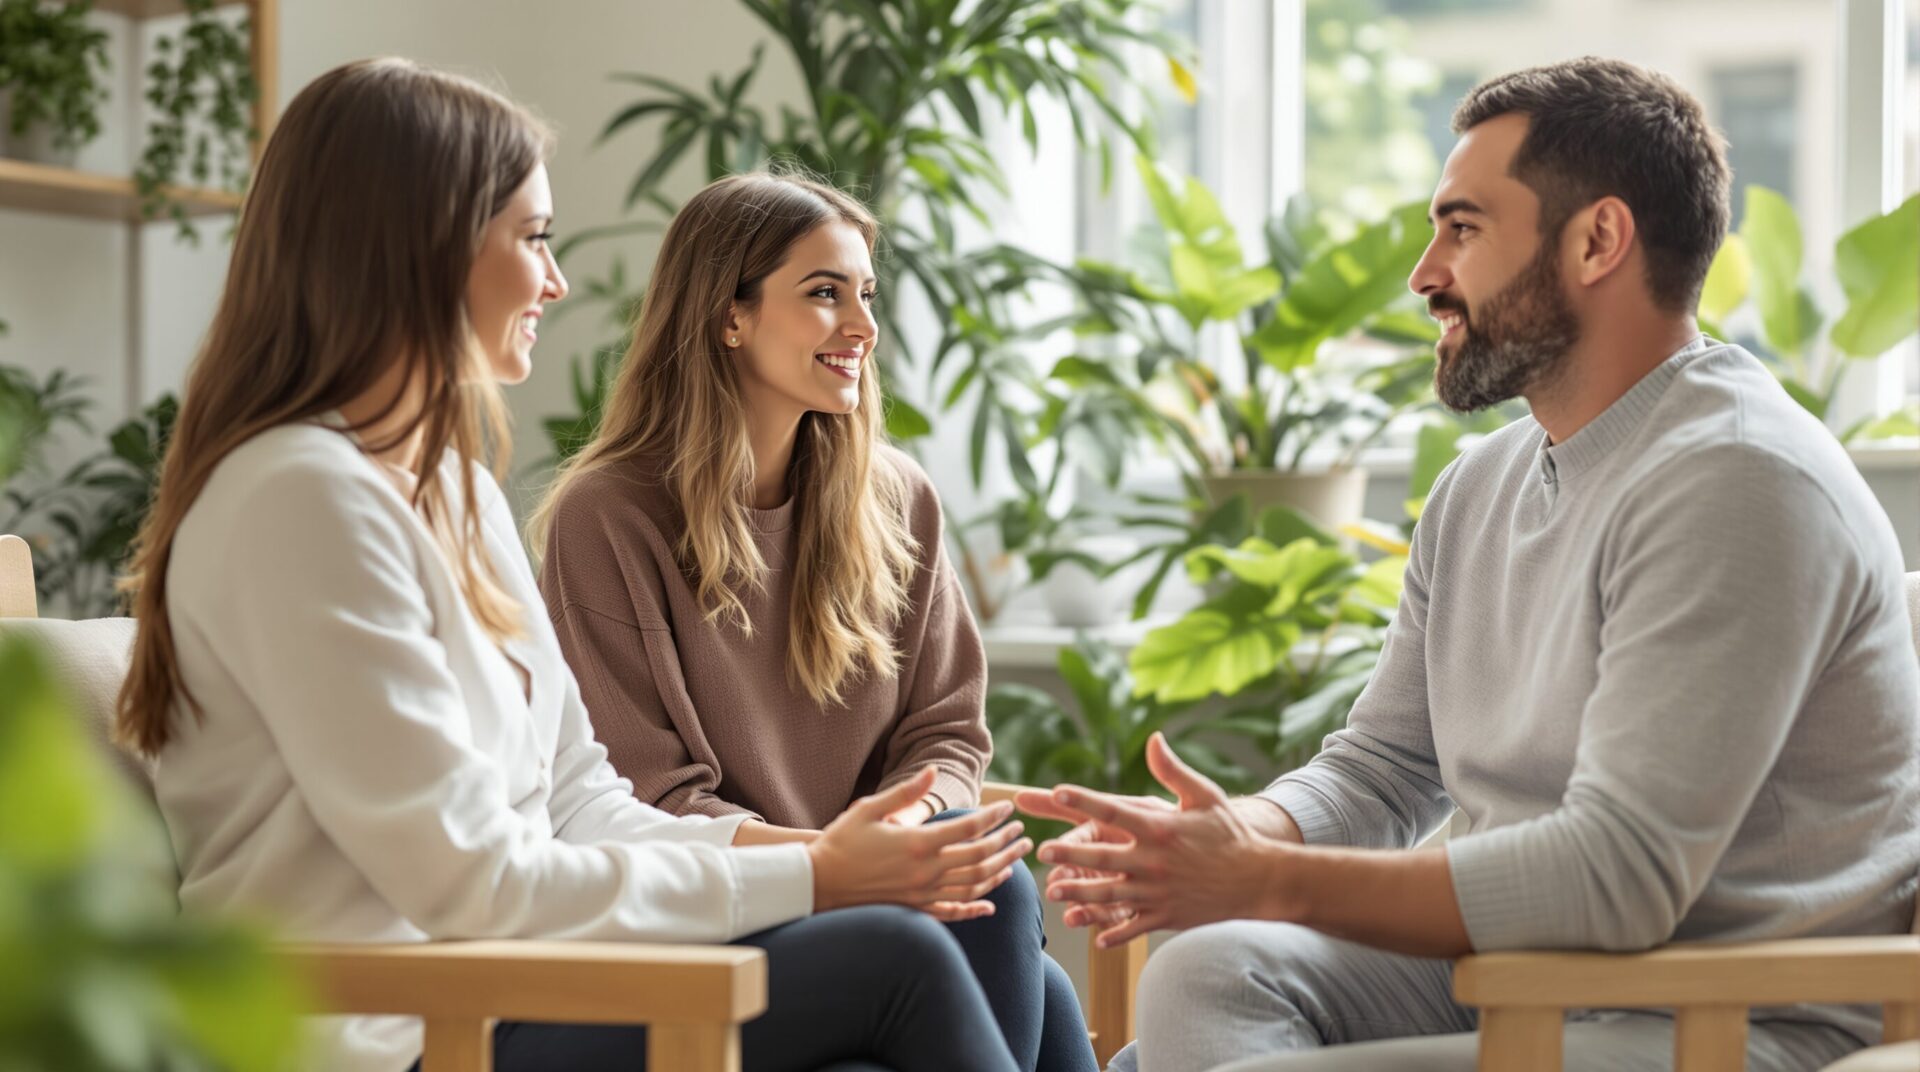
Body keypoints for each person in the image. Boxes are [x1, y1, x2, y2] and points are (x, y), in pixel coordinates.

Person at [116, 58, 1033, 1072]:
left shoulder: (451, 491)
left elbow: (582, 802)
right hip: (392, 1030)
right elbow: (472, 881)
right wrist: (818, 875)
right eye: (533, 239)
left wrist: (836, 861)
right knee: (895, 957)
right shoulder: (296, 497)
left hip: (506, 982)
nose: (555, 279)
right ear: (423, 247)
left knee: (984, 915)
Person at [1023, 56, 1919, 1072]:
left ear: (1597, 240)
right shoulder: (1483, 483)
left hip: (1712, 1017)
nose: (1424, 273)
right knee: (1205, 975)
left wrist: (1264, 876)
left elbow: (1617, 875)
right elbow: (1388, 766)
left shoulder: (1740, 482)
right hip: (1525, 978)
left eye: (1463, 227)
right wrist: (1240, 828)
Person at [532, 171, 1096, 1072]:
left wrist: (914, 842)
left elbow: (947, 734)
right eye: (825, 293)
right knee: (1018, 955)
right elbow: (644, 800)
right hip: (716, 916)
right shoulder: (607, 517)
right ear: (730, 316)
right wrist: (843, 868)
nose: (863, 327)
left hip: (874, 902)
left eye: (866, 295)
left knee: (1002, 906)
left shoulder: (896, 498)